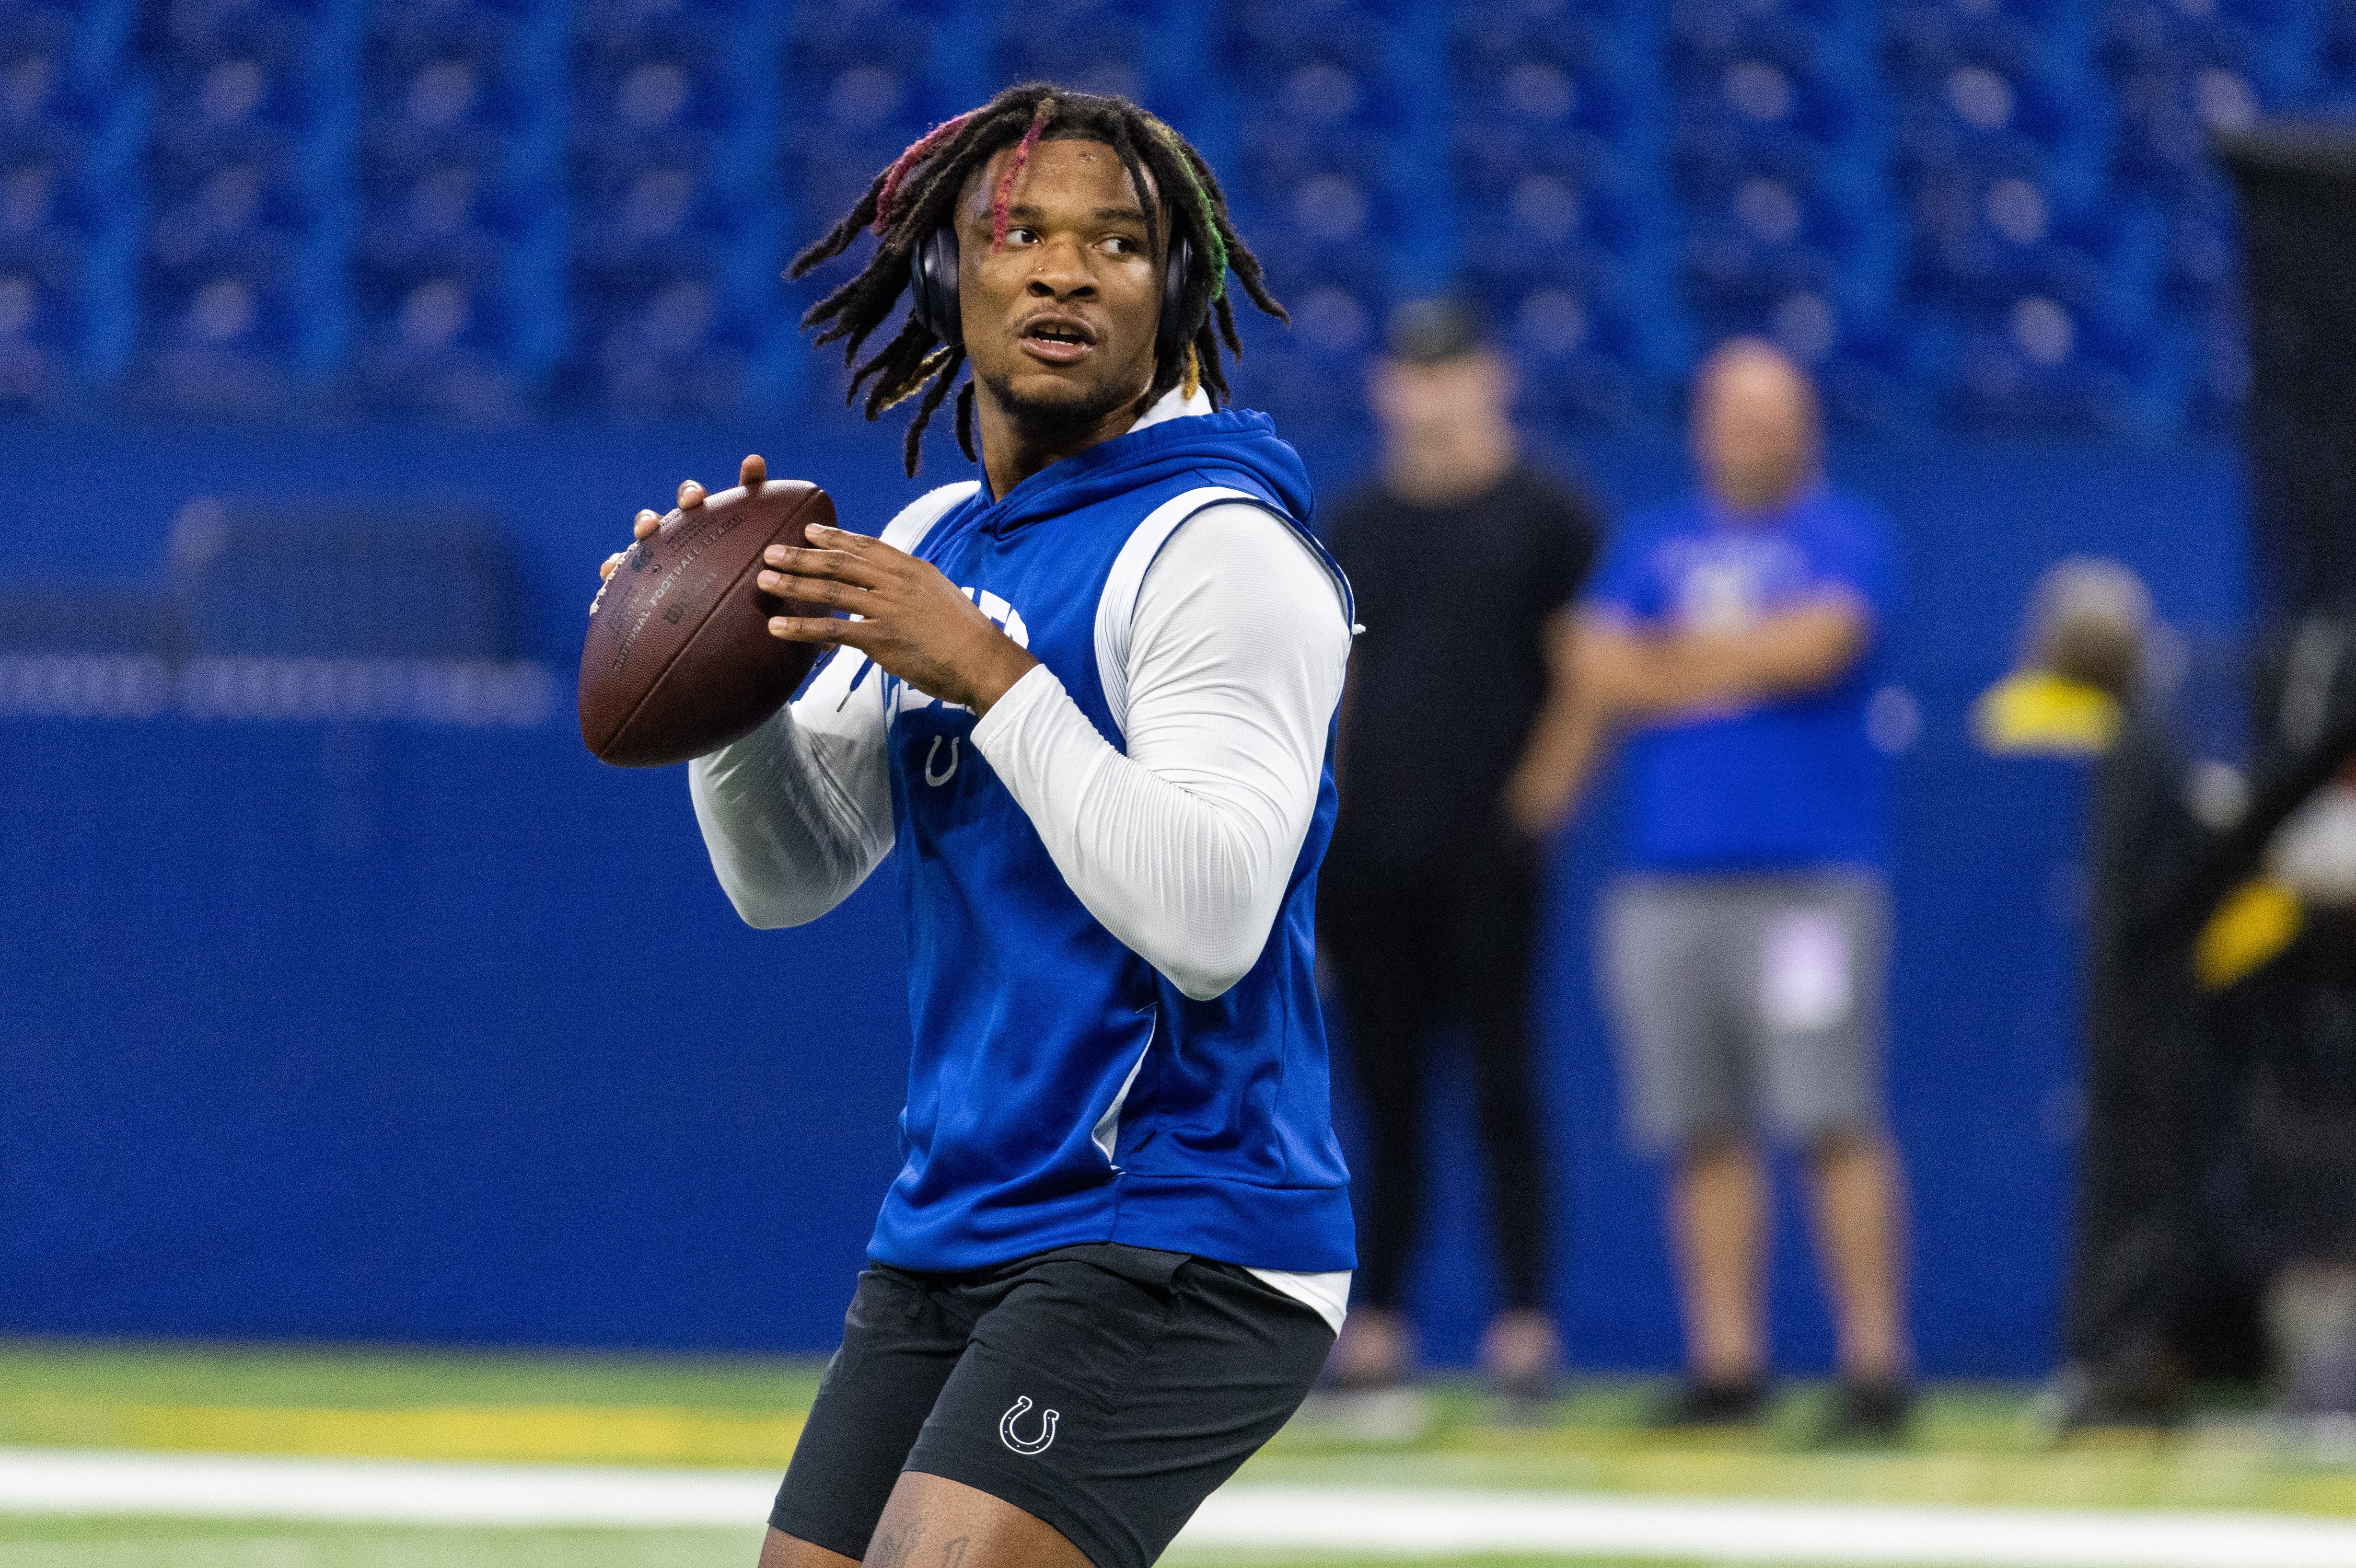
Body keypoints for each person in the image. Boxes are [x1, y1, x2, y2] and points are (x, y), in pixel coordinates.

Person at [597, 87, 1355, 1568]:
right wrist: (729, 689)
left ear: (1175, 294)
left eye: (1118, 244)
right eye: (1016, 235)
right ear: (950, 275)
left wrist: (992, 678)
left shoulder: (1217, 548)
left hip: (1177, 1223)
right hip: (955, 1226)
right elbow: (787, 880)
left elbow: (1212, 930)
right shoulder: (937, 537)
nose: (1063, 271)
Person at [1509, 339, 1913, 1438]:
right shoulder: (1654, 540)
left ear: (1806, 426)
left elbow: (1819, 648)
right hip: (1670, 886)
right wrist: (1730, 662)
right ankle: (1727, 1363)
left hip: (1806, 887)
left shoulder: (1846, 535)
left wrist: (1667, 670)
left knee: (1830, 1112)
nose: (1752, 433)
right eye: (1732, 413)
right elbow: (1591, 664)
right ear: (1702, 426)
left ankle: (1875, 1365)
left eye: (1771, 412)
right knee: (1700, 1127)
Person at [1317, 298, 1602, 1402]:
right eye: (1413, 372)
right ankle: (1378, 1322)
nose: (1431, 394)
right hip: (1372, 848)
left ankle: (1524, 1324)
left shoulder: (1545, 516)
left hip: (1486, 847)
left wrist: (1535, 806)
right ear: (1389, 386)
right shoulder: (1357, 523)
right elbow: (1329, 692)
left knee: (1502, 1083)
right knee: (1383, 1093)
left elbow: (1587, 672)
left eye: (1452, 371)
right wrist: (1320, 828)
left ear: (1493, 379)